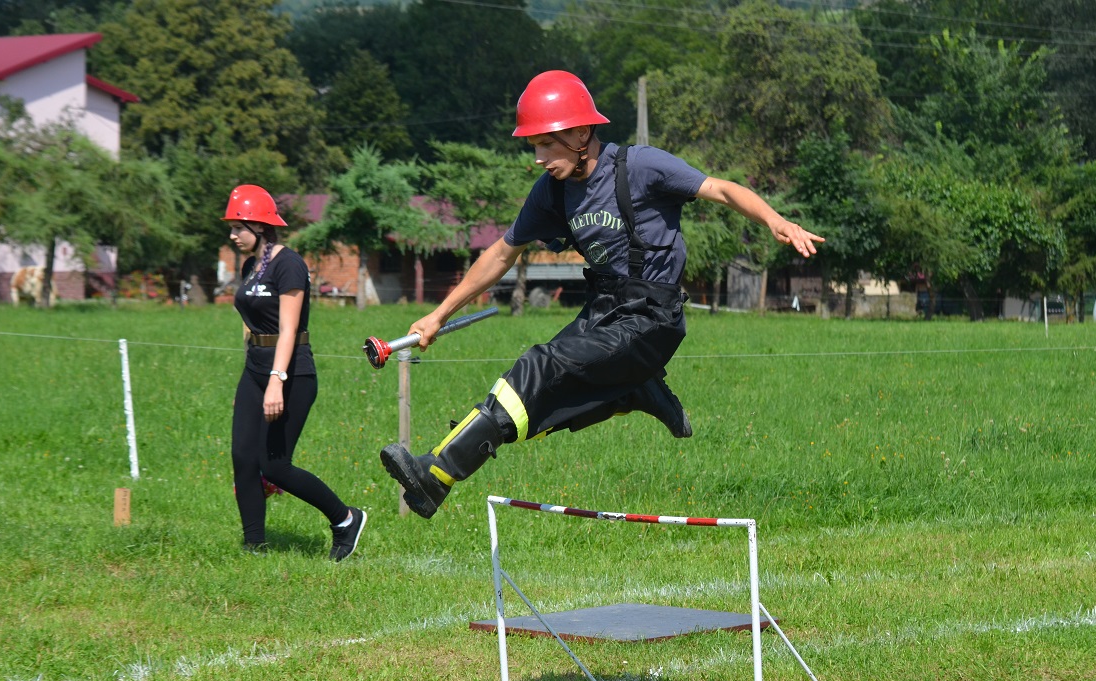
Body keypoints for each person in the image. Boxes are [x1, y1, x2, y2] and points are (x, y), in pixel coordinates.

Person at [380, 70, 824, 519]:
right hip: (602, 309)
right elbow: (500, 253)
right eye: (533, 145)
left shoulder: (641, 167)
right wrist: (437, 315)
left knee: (541, 367)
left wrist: (776, 221)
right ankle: (630, 392)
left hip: (652, 317)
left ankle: (436, 473)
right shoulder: (551, 193)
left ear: (581, 133)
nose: (538, 157)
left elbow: (721, 189)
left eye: (547, 143)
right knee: (545, 398)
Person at [225, 184, 367, 560]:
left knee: (274, 465)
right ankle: (254, 546)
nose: (232, 235)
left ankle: (346, 519)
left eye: (239, 227)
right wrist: (253, 377)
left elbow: (287, 329)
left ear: (260, 227)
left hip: (291, 374)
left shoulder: (289, 264)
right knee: (243, 456)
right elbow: (253, 323)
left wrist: (276, 382)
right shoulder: (251, 265)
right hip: (255, 370)